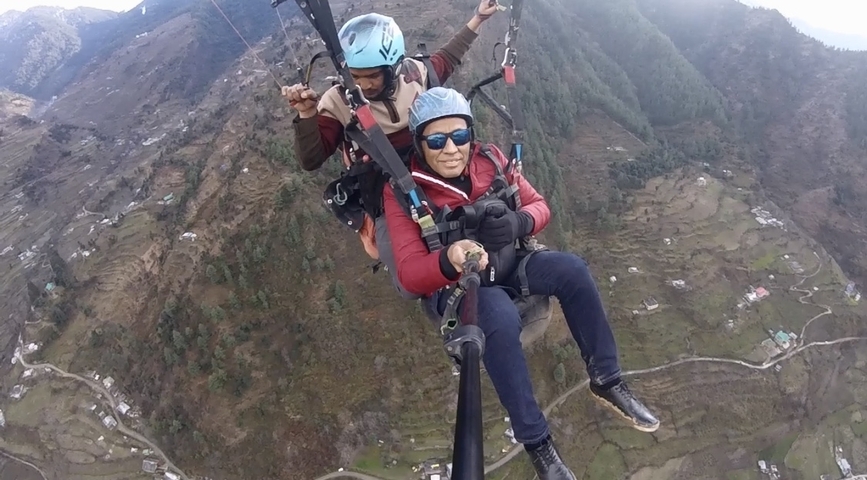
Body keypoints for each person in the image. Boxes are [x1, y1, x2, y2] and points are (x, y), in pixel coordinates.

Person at [382, 87, 660, 480]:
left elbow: (538, 205)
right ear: (419, 143)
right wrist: (449, 257)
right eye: (436, 140)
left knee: (573, 270)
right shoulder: (404, 191)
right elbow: (409, 274)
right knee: (496, 315)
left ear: (471, 136)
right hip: (465, 288)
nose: (451, 149)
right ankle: (538, 443)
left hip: (514, 262)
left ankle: (607, 379)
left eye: (459, 137)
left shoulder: (491, 160)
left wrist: (518, 223)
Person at [281, 2, 501, 298]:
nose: (364, 84)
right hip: (387, 194)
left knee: (489, 217)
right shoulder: (340, 101)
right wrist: (307, 115)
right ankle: (442, 298)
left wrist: (478, 19)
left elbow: (448, 58)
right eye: (356, 75)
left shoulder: (415, 76)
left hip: (433, 173)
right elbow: (311, 158)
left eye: (373, 75)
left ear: (393, 68)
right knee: (402, 268)